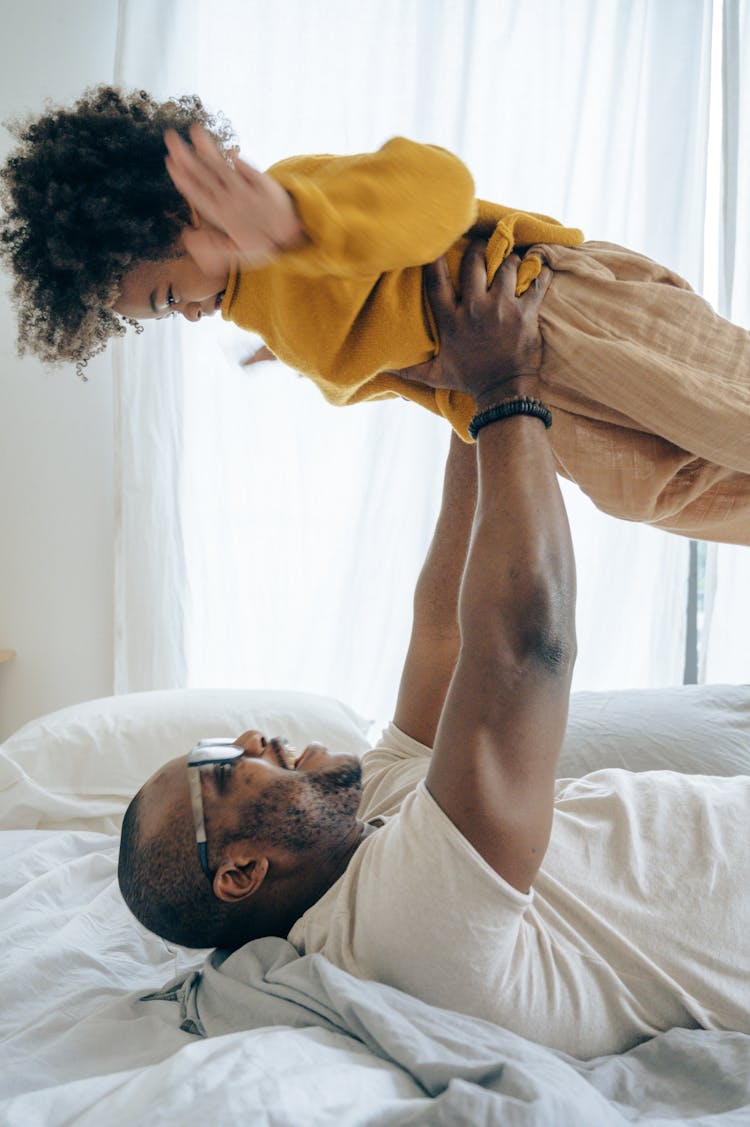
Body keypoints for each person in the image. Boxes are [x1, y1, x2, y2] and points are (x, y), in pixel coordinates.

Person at [118, 246, 750, 1060]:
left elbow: (446, 631)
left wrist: (457, 394)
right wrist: (505, 392)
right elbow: (526, 647)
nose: (251, 739)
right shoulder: (398, 922)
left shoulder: (356, 817)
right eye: (224, 767)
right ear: (239, 871)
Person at [1, 86, 749, 544]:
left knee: (725, 410)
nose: (189, 315)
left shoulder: (293, 199)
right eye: (161, 317)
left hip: (550, 312)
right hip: (522, 392)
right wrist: (296, 345)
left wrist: (297, 223)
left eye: (169, 297)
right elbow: (362, 341)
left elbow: (437, 188)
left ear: (182, 208)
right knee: (662, 491)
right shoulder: (253, 304)